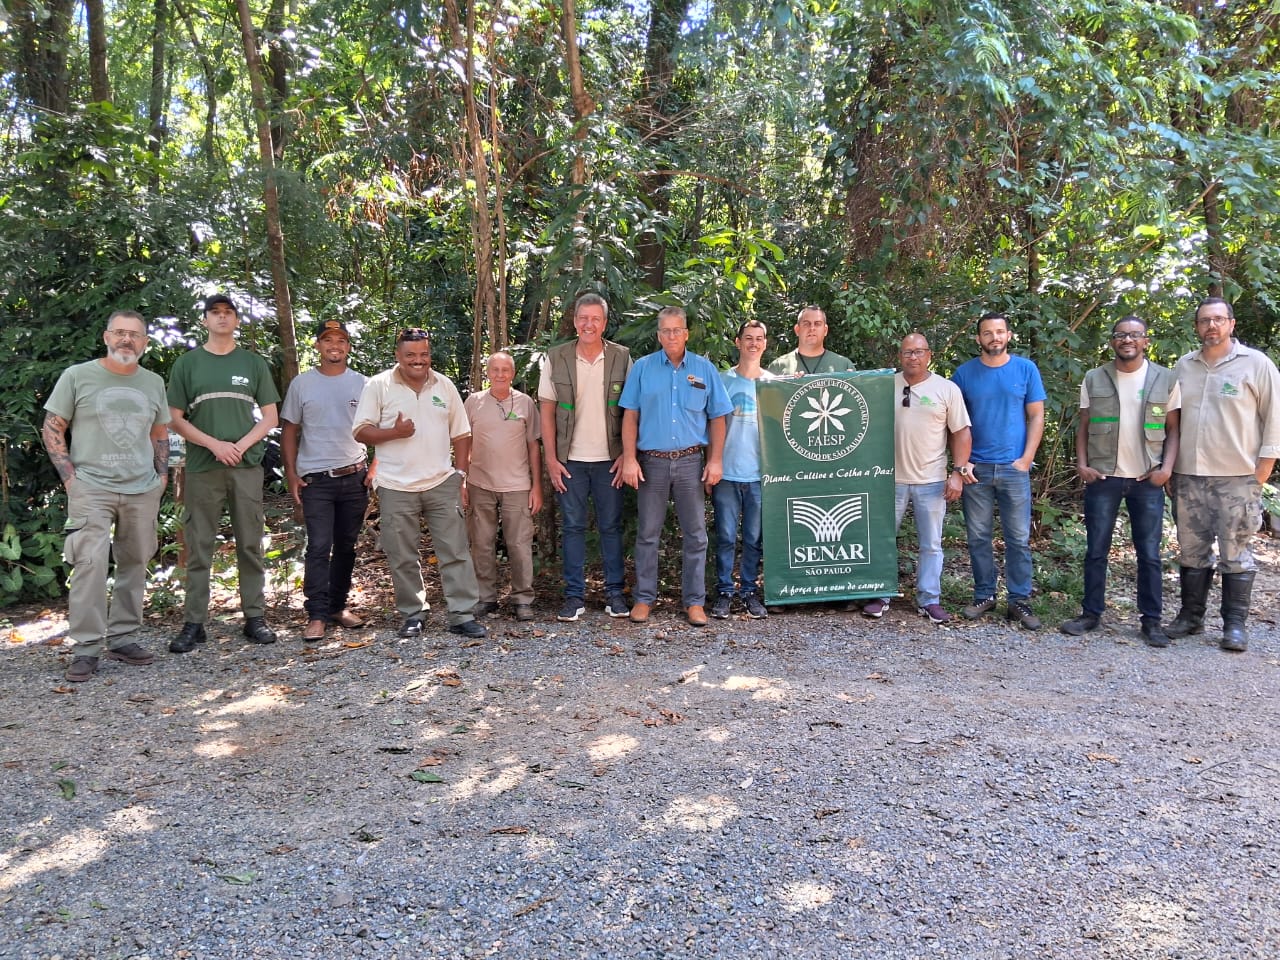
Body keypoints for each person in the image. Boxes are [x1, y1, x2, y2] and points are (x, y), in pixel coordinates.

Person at [43, 310, 170, 681]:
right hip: (91, 487)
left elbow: (160, 433)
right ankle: (86, 647)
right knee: (90, 564)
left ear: (145, 343)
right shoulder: (77, 376)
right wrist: (70, 480)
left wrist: (161, 478)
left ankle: (124, 638)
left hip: (141, 488)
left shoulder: (153, 382)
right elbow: (53, 428)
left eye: (135, 335)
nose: (126, 340)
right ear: (106, 337)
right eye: (120, 333)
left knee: (134, 562)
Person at [352, 328, 486, 640]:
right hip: (395, 484)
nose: (418, 360)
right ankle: (413, 613)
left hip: (441, 482)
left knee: (455, 550)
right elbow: (360, 431)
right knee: (402, 554)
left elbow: (462, 434)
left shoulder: (444, 385)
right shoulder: (379, 385)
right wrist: (393, 433)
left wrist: (460, 476)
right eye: (411, 355)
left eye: (424, 354)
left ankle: (462, 614)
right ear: (398, 356)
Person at [167, 293, 281, 652]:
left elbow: (271, 417)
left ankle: (254, 617)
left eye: (227, 313)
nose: (221, 318)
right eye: (214, 313)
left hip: (245, 466)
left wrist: (240, 445)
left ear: (235, 320)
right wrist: (215, 445)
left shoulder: (252, 363)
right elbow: (174, 418)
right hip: (203, 467)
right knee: (199, 545)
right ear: (204, 320)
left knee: (250, 543)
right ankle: (194, 623)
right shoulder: (187, 364)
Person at [1166, 297, 1280, 652]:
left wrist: (1262, 469)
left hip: (1237, 476)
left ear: (1231, 324)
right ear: (1196, 327)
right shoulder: (1184, 366)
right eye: (1204, 321)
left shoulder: (1256, 364)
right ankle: (1191, 616)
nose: (1211, 326)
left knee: (1235, 551)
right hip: (1188, 475)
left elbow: (1274, 417)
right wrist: (1168, 467)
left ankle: (1234, 625)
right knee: (1191, 550)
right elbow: (1170, 421)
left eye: (1218, 319)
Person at [1060, 317, 1181, 646]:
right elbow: (1083, 426)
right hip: (1104, 478)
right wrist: (1082, 464)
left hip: (1147, 480)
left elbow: (1173, 429)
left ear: (1145, 341)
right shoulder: (1094, 378)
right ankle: (1090, 613)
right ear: (1112, 341)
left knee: (1150, 554)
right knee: (1096, 550)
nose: (1127, 340)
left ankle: (1151, 621)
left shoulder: (1165, 379)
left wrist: (1166, 469)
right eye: (1120, 335)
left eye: (1134, 335)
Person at [619, 306, 733, 625]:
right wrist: (629, 459)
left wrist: (716, 460)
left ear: (686, 333)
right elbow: (630, 415)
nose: (671, 336)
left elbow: (718, 417)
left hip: (690, 462)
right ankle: (643, 599)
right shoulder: (642, 368)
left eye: (677, 330)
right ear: (659, 335)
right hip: (652, 463)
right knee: (648, 534)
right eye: (665, 331)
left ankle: (694, 602)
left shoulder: (704, 368)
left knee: (696, 534)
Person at [862, 333, 973, 624]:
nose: (913, 357)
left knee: (931, 544)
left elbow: (961, 433)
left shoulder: (946, 389)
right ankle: (880, 593)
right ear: (900, 356)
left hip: (932, 479)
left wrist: (958, 474)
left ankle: (929, 599)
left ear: (929, 355)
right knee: (883, 539)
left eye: (919, 351)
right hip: (889, 479)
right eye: (908, 352)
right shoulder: (885, 386)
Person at [538, 293, 632, 622]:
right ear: (575, 321)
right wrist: (550, 458)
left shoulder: (622, 357)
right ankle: (574, 597)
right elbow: (546, 411)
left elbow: (632, 411)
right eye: (583, 318)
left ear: (605, 323)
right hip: (570, 461)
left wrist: (628, 455)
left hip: (611, 460)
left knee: (610, 527)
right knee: (573, 528)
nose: (589, 324)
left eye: (596, 318)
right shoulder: (557, 357)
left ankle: (615, 595)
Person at [951, 312, 1047, 629]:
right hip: (975, 470)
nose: (994, 337)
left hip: (1013, 469)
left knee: (1018, 539)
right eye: (987, 333)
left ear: (1008, 336)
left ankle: (1019, 600)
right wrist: (961, 464)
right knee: (978, 537)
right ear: (978, 338)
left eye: (1000, 332)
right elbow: (954, 424)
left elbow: (1036, 416)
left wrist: (1025, 459)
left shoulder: (1025, 369)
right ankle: (984, 595)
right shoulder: (964, 374)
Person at [280, 318, 370, 642]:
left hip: (354, 477)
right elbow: (289, 430)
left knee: (346, 546)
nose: (335, 346)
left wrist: (373, 469)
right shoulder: (302, 384)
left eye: (341, 340)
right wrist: (291, 473)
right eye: (328, 340)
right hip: (316, 479)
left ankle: (337, 607)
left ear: (347, 346)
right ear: (318, 345)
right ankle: (316, 614)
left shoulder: (363, 383)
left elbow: (375, 428)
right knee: (319, 546)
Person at [465, 351, 542, 622]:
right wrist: (462, 480)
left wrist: (536, 487)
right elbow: (464, 442)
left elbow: (534, 445)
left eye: (505, 370)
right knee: (481, 543)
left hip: (517, 484)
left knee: (519, 544)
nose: (500, 375)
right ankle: (485, 598)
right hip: (480, 482)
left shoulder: (525, 403)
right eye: (495, 370)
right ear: (487, 372)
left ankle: (522, 599)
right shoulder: (473, 402)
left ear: (513, 373)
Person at [710, 320, 772, 620]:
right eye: (748, 338)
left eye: (759, 338)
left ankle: (748, 591)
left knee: (753, 538)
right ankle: (724, 591)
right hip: (726, 473)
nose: (753, 343)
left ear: (765, 343)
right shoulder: (723, 381)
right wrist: (711, 465)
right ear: (738, 342)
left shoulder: (774, 384)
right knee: (724, 535)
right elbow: (710, 425)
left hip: (759, 475)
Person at [767, 305, 854, 376]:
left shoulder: (844, 366)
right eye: (806, 324)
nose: (812, 328)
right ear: (797, 330)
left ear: (825, 330)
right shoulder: (778, 367)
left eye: (817, 324)